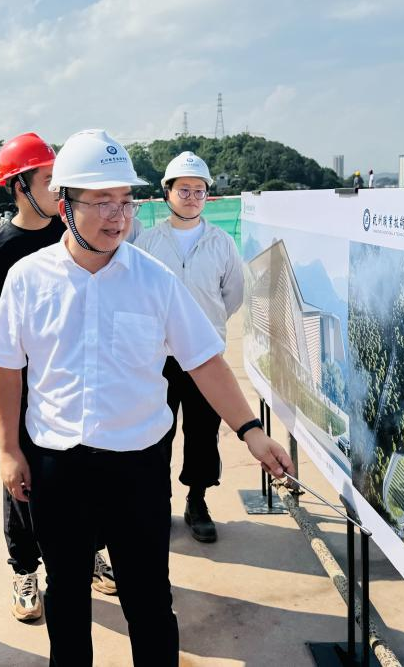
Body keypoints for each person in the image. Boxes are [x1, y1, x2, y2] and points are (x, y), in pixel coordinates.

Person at [0, 129, 293, 666]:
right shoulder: (28, 279)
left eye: (125, 201)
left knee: (148, 598)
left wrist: (251, 431)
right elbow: (6, 369)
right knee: (67, 595)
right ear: (65, 204)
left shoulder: (154, 279)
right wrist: (9, 451)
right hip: (56, 466)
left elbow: (204, 361)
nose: (118, 217)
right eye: (102, 202)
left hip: (137, 467)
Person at [0, 133, 117, 623]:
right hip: (26, 388)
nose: (57, 189)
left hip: (75, 385)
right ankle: (24, 569)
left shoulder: (71, 231)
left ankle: (91, 553)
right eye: (48, 179)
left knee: (88, 473)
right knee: (21, 480)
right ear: (19, 186)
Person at [136, 151, 243, 544]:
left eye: (200, 191)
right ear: (167, 192)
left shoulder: (222, 243)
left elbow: (232, 295)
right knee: (155, 433)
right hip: (158, 357)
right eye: (184, 190)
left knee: (202, 432)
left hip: (204, 357)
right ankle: (157, 502)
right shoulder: (148, 242)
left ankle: (197, 501)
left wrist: (203, 331)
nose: (193, 197)